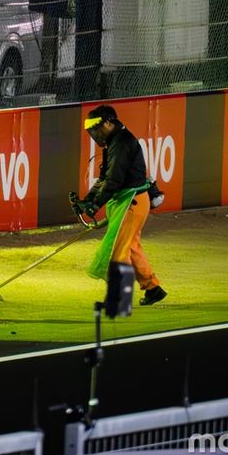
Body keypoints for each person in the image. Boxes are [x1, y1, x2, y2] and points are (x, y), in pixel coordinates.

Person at [72, 104, 168, 314]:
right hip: (130, 201)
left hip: (131, 203)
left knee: (119, 250)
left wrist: (95, 205)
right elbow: (105, 177)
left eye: (96, 128)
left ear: (108, 122)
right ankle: (153, 288)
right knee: (131, 248)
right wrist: (87, 200)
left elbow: (114, 179)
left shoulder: (122, 143)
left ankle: (119, 299)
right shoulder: (113, 142)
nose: (94, 134)